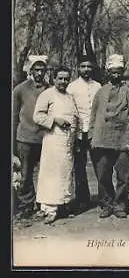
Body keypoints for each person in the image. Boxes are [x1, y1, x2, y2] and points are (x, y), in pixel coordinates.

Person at [89, 54, 129, 219]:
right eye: (113, 71)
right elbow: (94, 115)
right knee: (103, 173)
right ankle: (107, 203)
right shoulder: (100, 92)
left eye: (119, 71)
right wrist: (92, 135)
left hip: (123, 139)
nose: (116, 75)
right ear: (108, 72)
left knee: (123, 175)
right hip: (102, 138)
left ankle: (120, 204)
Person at [32, 66, 79, 224]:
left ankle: (63, 205)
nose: (63, 82)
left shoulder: (70, 97)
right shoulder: (47, 95)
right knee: (52, 174)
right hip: (52, 140)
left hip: (67, 142)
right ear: (54, 79)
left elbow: (75, 118)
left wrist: (75, 137)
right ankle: (49, 209)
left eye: (66, 79)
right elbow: (37, 116)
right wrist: (55, 120)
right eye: (60, 78)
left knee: (65, 173)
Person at [12, 55, 49, 219]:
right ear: (31, 70)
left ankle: (44, 203)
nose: (40, 73)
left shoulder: (50, 89)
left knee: (45, 172)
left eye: (42, 70)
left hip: (46, 138)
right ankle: (26, 204)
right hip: (25, 138)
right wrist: (12, 143)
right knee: (25, 174)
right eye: (37, 69)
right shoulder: (20, 89)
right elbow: (13, 116)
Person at [66, 58, 101, 212]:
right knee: (79, 166)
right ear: (78, 68)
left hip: (94, 131)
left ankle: (104, 197)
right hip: (79, 132)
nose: (86, 69)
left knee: (100, 165)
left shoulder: (98, 86)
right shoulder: (72, 87)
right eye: (83, 66)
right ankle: (82, 199)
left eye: (89, 66)